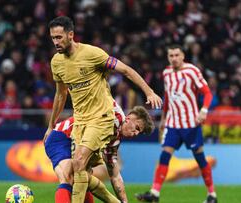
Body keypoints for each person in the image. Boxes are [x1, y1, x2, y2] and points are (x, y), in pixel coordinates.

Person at [45, 16, 162, 203]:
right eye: (53, 38)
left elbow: (125, 70)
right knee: (80, 171)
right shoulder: (57, 63)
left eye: (59, 37)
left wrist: (149, 92)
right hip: (80, 120)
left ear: (71, 35)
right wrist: (51, 125)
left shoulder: (92, 54)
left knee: (79, 162)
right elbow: (61, 95)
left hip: (101, 117)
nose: (56, 42)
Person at [135, 44, 217, 203]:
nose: (174, 58)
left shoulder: (192, 71)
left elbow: (207, 93)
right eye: (171, 55)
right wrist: (164, 119)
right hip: (173, 123)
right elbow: (168, 97)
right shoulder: (166, 73)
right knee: (165, 155)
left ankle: (212, 194)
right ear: (168, 57)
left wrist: (204, 110)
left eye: (176, 55)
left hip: (191, 123)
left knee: (199, 157)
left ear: (183, 56)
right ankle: (154, 193)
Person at [45, 101, 155, 203]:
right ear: (129, 118)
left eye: (139, 132)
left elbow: (115, 176)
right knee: (68, 177)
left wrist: (124, 201)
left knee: (83, 180)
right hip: (62, 136)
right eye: (137, 128)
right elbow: (101, 94)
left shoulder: (113, 142)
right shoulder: (114, 111)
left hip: (79, 143)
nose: (135, 133)